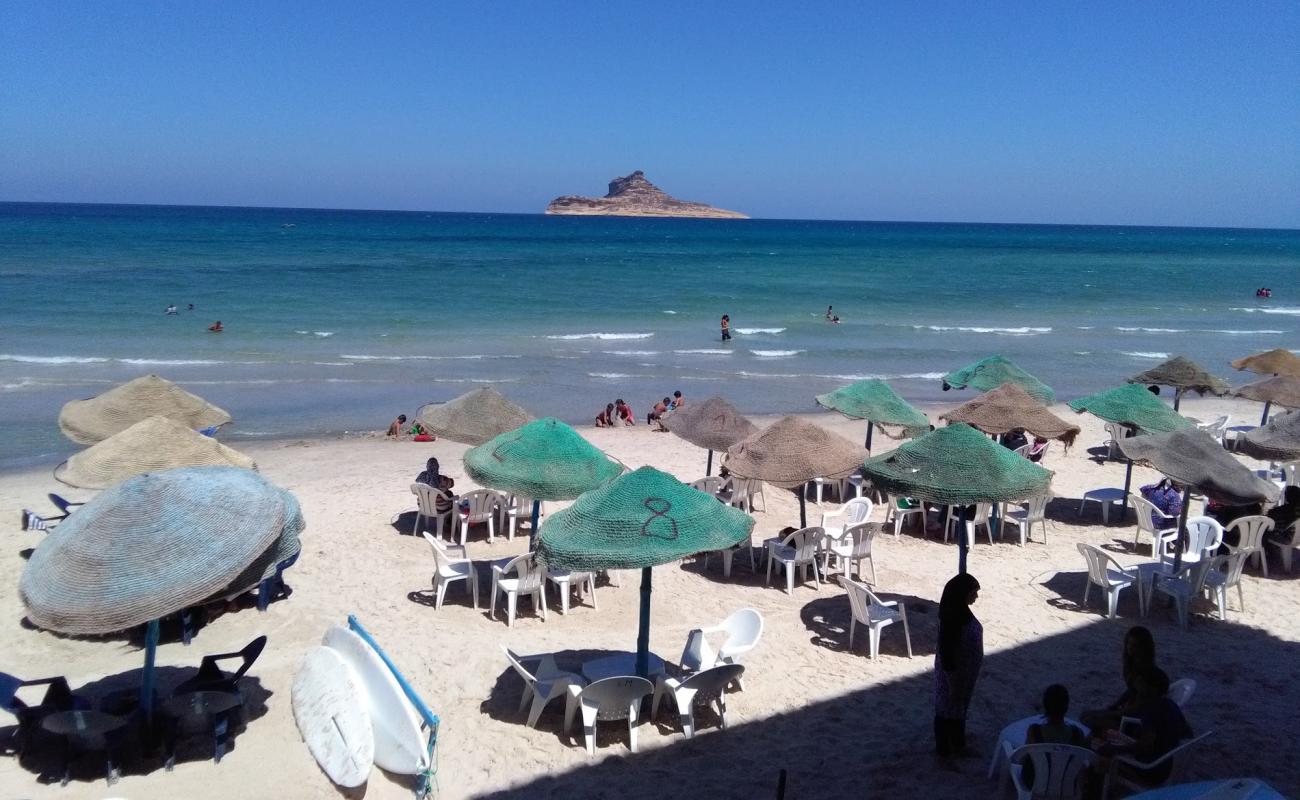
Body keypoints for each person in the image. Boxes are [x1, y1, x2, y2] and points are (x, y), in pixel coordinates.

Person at [1094, 668, 1193, 786]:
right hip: (1165, 764)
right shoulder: (1170, 704)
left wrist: (1114, 749)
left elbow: (1145, 747)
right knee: (1109, 734)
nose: (1135, 683)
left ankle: (1096, 792)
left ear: (1150, 689)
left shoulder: (1151, 710)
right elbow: (1187, 732)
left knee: (1098, 757)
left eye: (1140, 681)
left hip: (1149, 769)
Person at [934, 573, 983, 759]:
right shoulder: (952, 619)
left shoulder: (959, 610)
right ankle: (944, 753)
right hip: (953, 673)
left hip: (964, 672)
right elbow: (947, 651)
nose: (976, 597)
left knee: (958, 709)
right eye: (973, 592)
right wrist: (953, 680)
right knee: (946, 710)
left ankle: (958, 744)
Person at [1081, 626, 1157, 735]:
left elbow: (1138, 707)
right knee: (1086, 716)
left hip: (1135, 722)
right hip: (1128, 713)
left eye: (1134, 646)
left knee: (1088, 719)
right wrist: (1115, 705)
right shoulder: (1135, 666)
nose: (1130, 648)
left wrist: (1114, 713)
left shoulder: (1145, 674)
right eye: (1128, 644)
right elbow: (1131, 690)